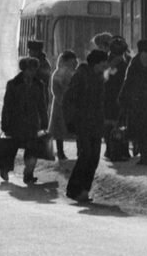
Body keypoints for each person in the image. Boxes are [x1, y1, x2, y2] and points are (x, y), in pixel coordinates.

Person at [64, 50, 109, 203]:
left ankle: (83, 190)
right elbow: (69, 99)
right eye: (104, 62)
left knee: (94, 157)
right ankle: (74, 189)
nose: (106, 64)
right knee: (86, 155)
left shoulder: (100, 77)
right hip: (82, 122)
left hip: (96, 123)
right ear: (97, 62)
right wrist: (71, 121)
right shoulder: (81, 75)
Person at [0, 57, 49, 184]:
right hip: (15, 122)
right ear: (24, 69)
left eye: (34, 70)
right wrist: (5, 124)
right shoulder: (13, 84)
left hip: (32, 123)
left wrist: (44, 122)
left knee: (32, 150)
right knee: (11, 149)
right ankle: (5, 169)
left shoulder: (39, 85)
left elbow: (42, 106)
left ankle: (28, 174)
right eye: (30, 70)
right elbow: (7, 105)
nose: (32, 72)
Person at [103, 36, 131, 162]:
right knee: (120, 124)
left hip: (108, 98)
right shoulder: (122, 64)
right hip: (119, 97)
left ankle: (110, 149)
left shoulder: (107, 63)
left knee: (109, 124)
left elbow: (105, 78)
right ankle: (120, 150)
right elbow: (125, 81)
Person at [47, 50, 79, 162]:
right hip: (61, 104)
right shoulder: (60, 72)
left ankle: (70, 152)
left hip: (69, 103)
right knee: (59, 129)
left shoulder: (71, 71)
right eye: (72, 60)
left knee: (67, 128)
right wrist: (63, 99)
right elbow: (55, 88)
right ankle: (60, 152)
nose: (74, 63)